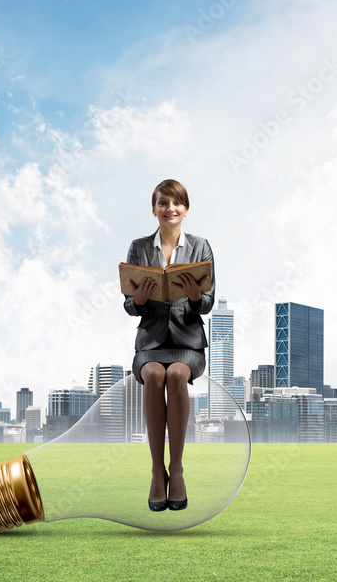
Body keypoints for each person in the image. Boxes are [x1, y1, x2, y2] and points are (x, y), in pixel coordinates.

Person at [123, 179, 214, 511]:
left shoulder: (201, 246)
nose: (170, 208)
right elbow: (130, 305)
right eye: (163, 203)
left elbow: (206, 304)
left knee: (175, 374)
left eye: (176, 203)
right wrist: (140, 299)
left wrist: (193, 296)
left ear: (185, 209)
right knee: (154, 374)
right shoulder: (139, 247)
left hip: (187, 342)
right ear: (154, 209)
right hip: (150, 341)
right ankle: (155, 473)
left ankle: (176, 470)